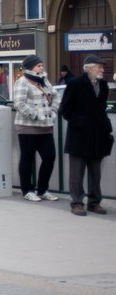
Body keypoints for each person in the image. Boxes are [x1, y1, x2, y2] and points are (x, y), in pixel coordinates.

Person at [59, 54, 113, 216]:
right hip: (79, 136)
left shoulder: (103, 85)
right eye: (99, 67)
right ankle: (76, 203)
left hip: (98, 135)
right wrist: (80, 123)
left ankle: (94, 202)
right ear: (89, 68)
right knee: (77, 172)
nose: (103, 70)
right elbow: (65, 110)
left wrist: (106, 129)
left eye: (102, 67)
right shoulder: (75, 83)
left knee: (95, 173)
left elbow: (101, 109)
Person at [13, 55, 59, 202]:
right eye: (38, 66)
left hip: (46, 126)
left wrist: (53, 112)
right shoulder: (22, 82)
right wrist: (35, 115)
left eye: (42, 65)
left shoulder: (44, 81)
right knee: (27, 158)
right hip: (28, 127)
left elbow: (56, 96)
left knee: (50, 156)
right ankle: (27, 190)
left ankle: (42, 189)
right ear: (30, 67)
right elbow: (19, 103)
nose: (41, 68)